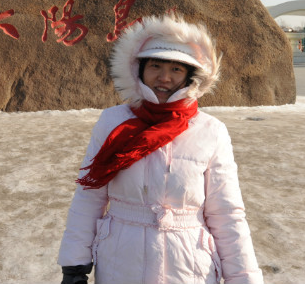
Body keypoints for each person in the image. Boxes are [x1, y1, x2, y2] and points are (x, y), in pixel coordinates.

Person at [58, 14, 263, 284]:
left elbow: (226, 212)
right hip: (121, 261)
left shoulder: (210, 130)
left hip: (188, 265)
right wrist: (74, 265)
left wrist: (243, 278)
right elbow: (89, 196)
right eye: (155, 65)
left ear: (191, 75)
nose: (164, 77)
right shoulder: (112, 122)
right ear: (139, 69)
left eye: (176, 69)